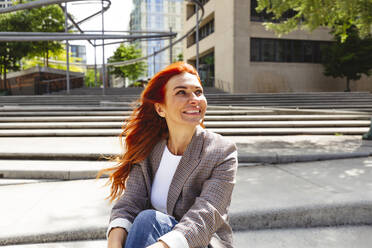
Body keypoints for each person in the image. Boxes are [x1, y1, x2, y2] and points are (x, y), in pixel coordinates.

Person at [99, 62, 238, 248]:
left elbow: (206, 215)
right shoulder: (149, 150)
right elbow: (129, 204)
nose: (194, 99)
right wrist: (113, 245)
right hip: (150, 240)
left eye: (198, 92)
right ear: (160, 109)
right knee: (145, 220)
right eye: (182, 92)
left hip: (199, 243)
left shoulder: (221, 150)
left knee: (148, 219)